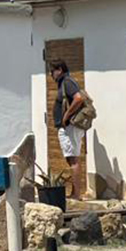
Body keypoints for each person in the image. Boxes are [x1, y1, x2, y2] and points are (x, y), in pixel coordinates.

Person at [49, 60, 88, 192]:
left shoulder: (67, 82)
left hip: (70, 126)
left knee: (73, 159)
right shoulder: (64, 83)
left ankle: (77, 193)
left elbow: (78, 98)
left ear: (59, 70)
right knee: (71, 158)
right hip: (67, 127)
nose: (51, 75)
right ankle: (75, 191)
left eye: (52, 71)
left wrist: (66, 116)